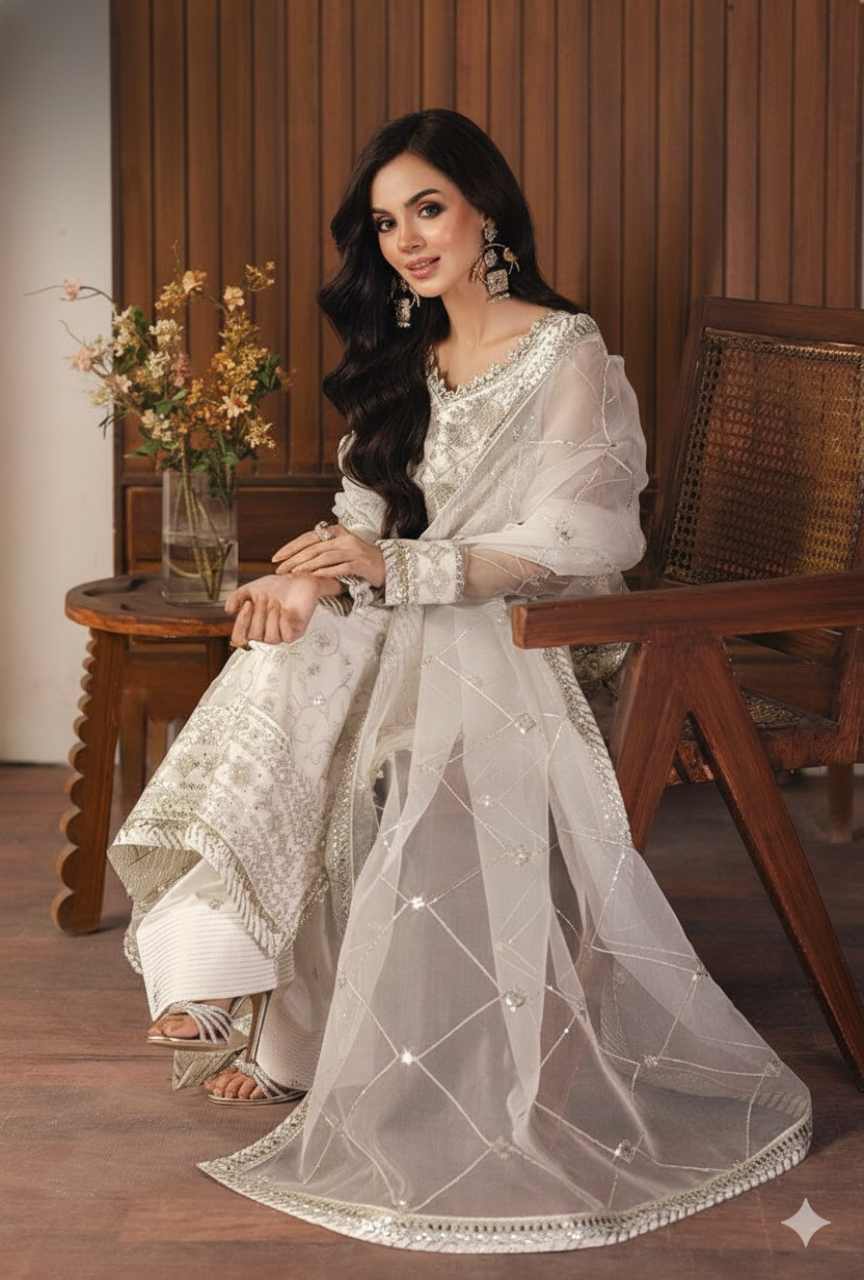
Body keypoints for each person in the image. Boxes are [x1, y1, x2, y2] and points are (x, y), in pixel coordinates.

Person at [109, 109, 810, 1253]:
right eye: (385, 223)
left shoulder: (564, 347)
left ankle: (247, 1000)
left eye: (426, 208)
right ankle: (233, 982)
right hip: (408, 607)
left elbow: (583, 539)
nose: (405, 240)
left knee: (328, 668)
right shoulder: (404, 356)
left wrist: (395, 569)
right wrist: (308, 586)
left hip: (538, 627)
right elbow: (359, 518)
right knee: (288, 650)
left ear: (488, 207)